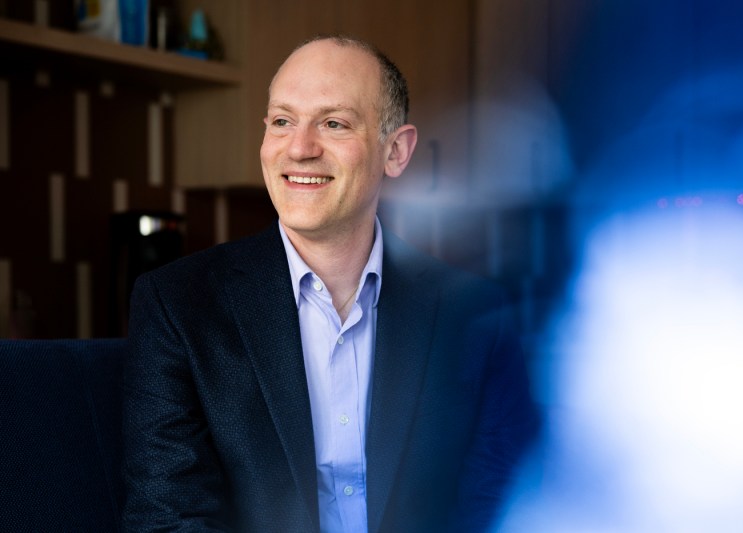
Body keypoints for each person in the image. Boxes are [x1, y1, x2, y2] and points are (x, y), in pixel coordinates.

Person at [122, 36, 535, 533]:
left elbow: (500, 507)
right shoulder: (177, 304)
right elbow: (169, 518)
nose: (299, 148)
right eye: (282, 121)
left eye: (334, 123)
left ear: (396, 151)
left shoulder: (474, 313)